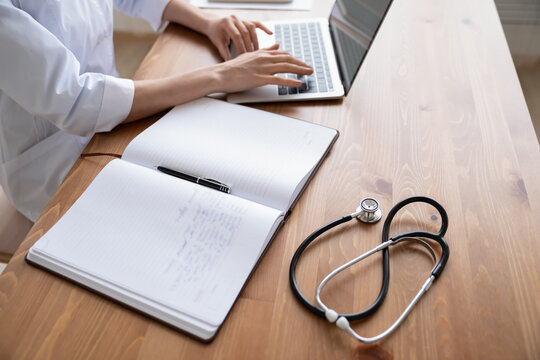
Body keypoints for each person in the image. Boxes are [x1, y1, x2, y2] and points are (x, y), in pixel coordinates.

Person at [0, 0, 313, 221]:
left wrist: (208, 22)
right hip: (52, 162)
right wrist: (221, 75)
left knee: (239, 160)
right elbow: (77, 100)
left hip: (116, 121)